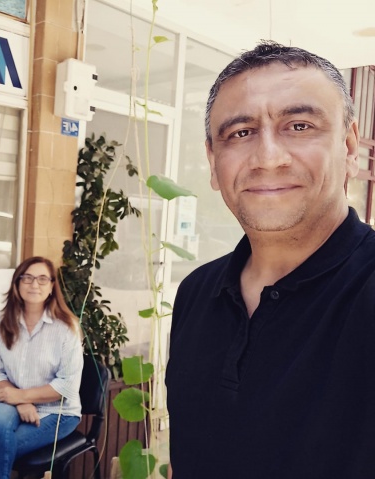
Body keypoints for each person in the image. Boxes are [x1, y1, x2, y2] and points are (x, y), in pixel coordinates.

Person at [165, 41, 375, 479]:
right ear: (213, 161)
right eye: (240, 133)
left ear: (349, 147)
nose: (268, 158)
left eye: (299, 126)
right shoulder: (196, 293)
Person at [0, 256, 84, 479]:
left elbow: (67, 386)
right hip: (13, 399)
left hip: (58, 412)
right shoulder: (4, 322)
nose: (34, 284)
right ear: (17, 284)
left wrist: (20, 396)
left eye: (42, 279)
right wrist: (22, 401)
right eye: (27, 278)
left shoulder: (67, 328)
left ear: (52, 286)